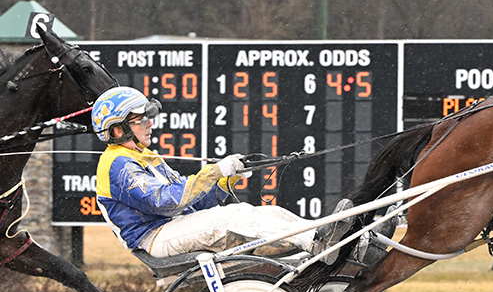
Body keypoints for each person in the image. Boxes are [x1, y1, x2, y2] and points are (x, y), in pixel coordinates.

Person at [92, 86, 351, 263]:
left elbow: (196, 203)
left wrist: (226, 181)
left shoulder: (144, 156)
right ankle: (315, 243)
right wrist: (214, 171)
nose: (150, 123)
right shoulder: (116, 163)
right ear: (118, 130)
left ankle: (329, 238)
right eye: (141, 120)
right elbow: (165, 201)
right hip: (155, 237)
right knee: (235, 215)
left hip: (172, 226)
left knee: (267, 212)